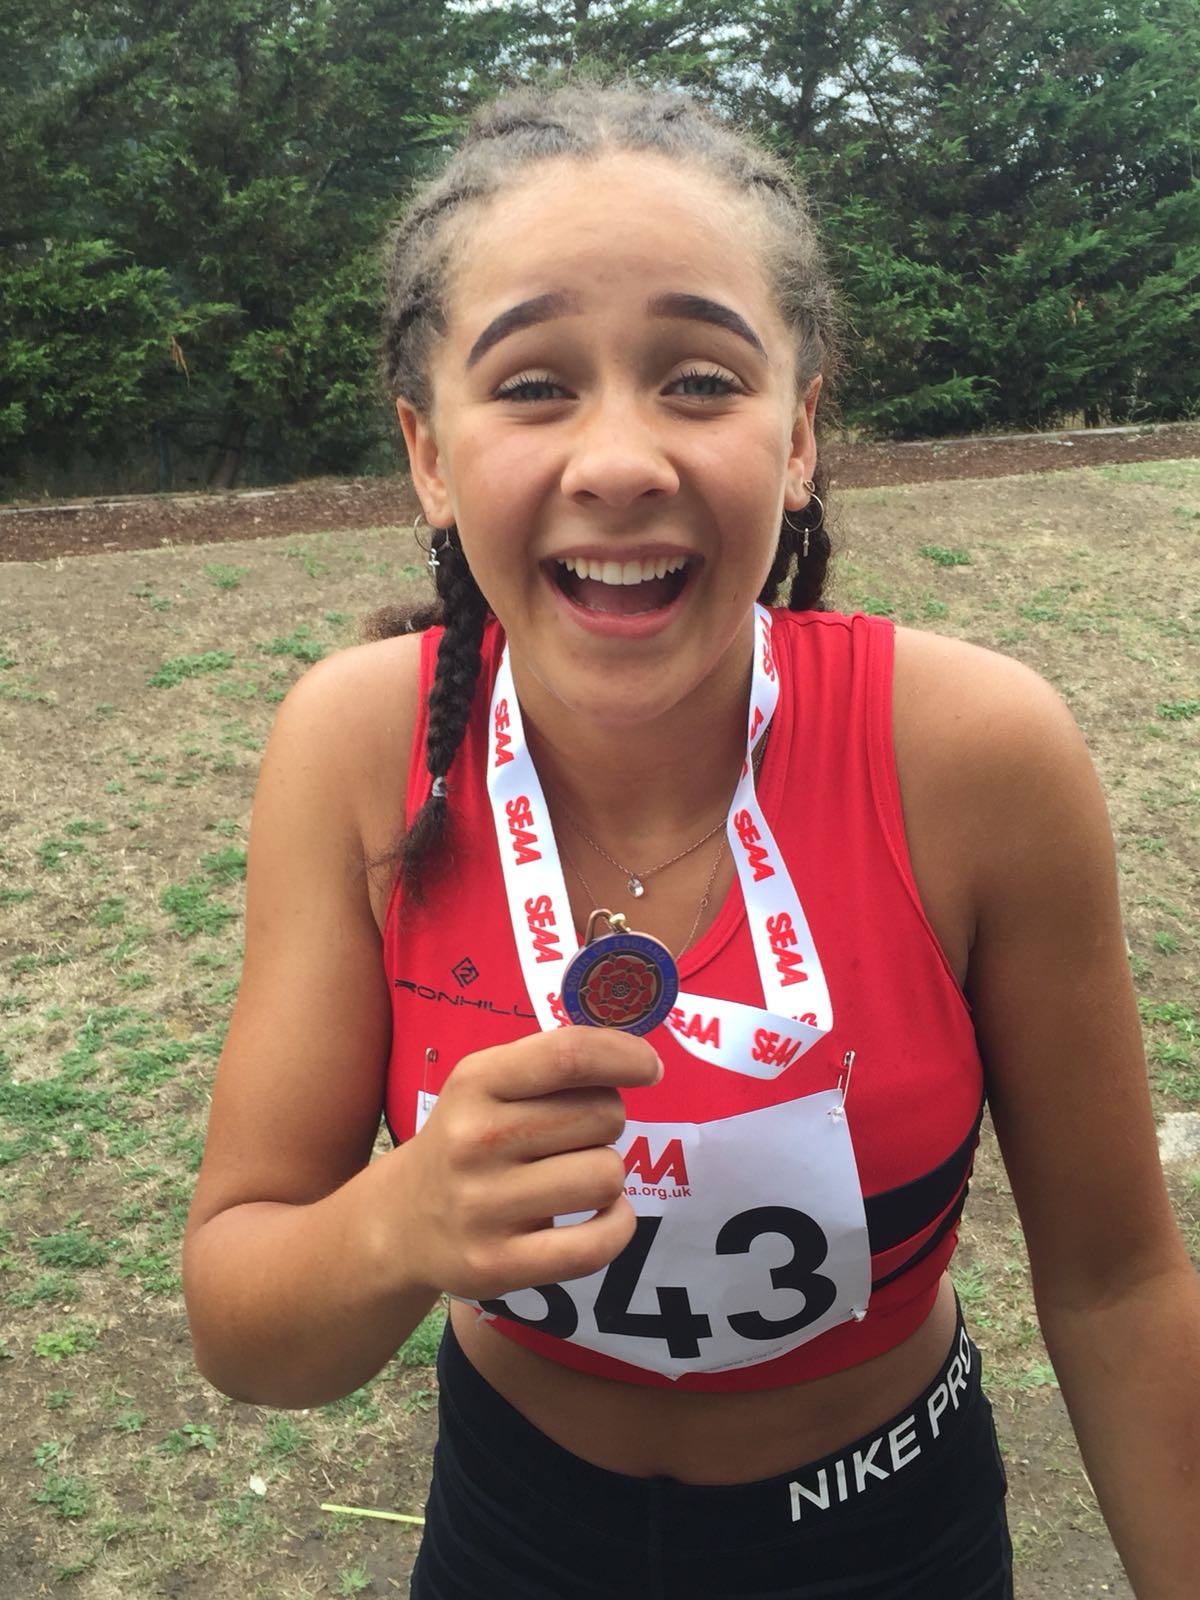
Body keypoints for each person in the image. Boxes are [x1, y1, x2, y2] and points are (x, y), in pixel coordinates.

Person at [182, 83, 1200, 1599]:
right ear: (429, 456)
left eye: (701, 381)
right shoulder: (355, 749)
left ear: (800, 437)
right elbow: (246, 1334)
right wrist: (398, 1223)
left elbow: (1118, 1288)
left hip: (888, 1534)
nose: (620, 461)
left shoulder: (977, 755)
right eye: (534, 385)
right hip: (515, 1533)